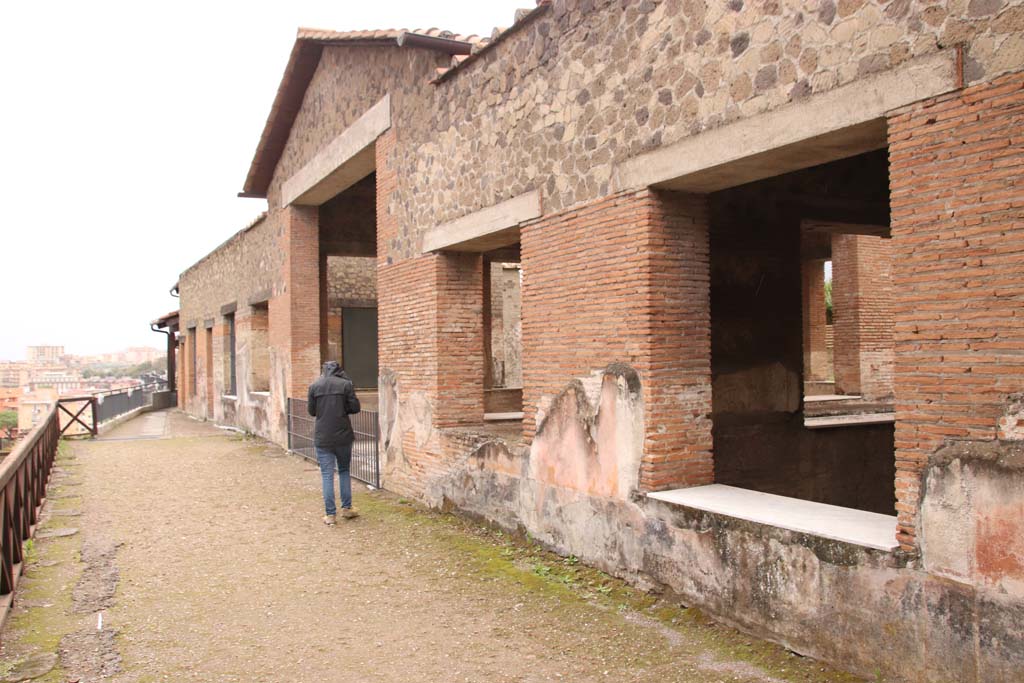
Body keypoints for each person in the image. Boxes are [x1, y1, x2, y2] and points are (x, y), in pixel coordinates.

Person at [307, 360, 361, 525]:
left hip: (323, 436)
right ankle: (347, 508)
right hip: (343, 435)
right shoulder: (345, 385)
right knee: (344, 471)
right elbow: (355, 408)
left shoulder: (314, 386)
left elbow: (312, 411)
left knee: (326, 474)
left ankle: (330, 515)